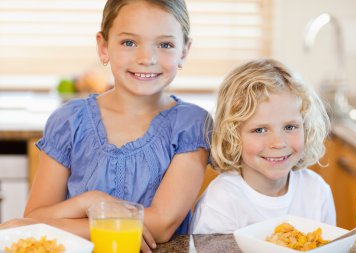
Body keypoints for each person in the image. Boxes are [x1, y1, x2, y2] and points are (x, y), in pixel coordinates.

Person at [0, 0, 211, 252]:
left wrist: (93, 222)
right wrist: (91, 201)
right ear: (103, 47)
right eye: (129, 42)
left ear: (184, 52)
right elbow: (35, 217)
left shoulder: (191, 124)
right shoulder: (69, 120)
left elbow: (162, 225)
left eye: (165, 44)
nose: (147, 58)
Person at [190, 59, 336, 234]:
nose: (278, 143)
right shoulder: (221, 202)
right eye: (260, 130)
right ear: (233, 136)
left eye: (290, 127)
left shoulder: (317, 191)